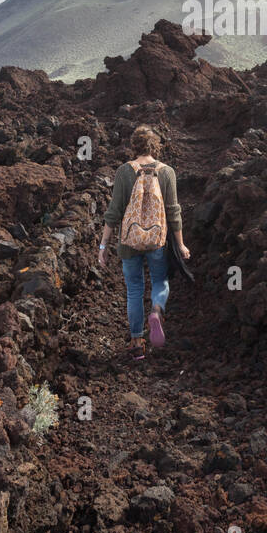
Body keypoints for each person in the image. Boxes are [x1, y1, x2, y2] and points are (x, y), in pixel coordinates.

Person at [98, 125, 190, 360]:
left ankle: (137, 342)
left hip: (129, 242)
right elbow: (174, 212)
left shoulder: (123, 172)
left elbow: (114, 212)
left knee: (135, 289)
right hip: (157, 240)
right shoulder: (167, 172)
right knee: (160, 280)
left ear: (134, 146)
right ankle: (157, 311)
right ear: (155, 146)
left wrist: (103, 245)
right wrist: (180, 245)